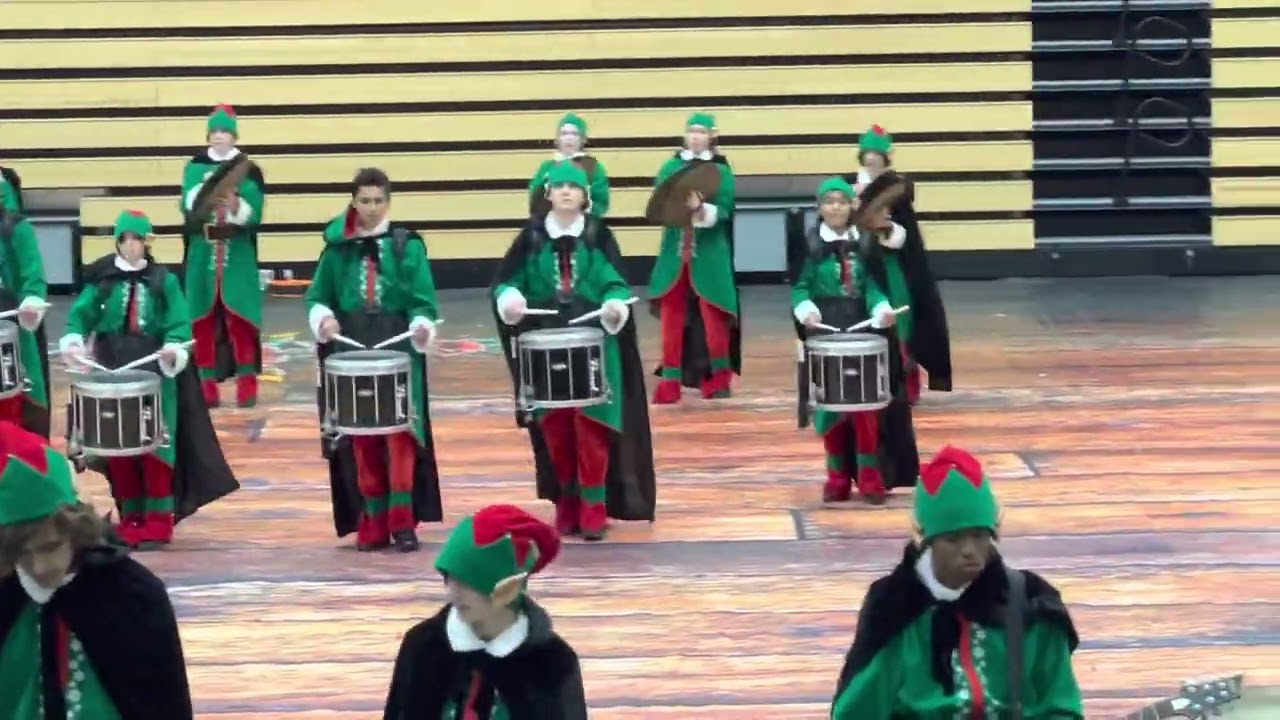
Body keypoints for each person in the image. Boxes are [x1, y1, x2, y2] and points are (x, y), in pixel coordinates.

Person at [831, 446, 1084, 719]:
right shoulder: (894, 607)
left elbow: (1061, 705)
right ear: (924, 540)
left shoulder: (1031, 604)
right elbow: (858, 711)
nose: (969, 549)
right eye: (953, 539)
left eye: (979, 535)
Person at [492, 161, 657, 541]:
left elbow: (614, 281)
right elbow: (505, 283)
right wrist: (511, 298)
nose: (567, 191)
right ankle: (566, 501)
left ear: (585, 196)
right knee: (556, 428)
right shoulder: (530, 239)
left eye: (574, 186)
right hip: (546, 348)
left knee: (592, 428)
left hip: (595, 346)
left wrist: (616, 304)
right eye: (560, 185)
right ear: (547, 193)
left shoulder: (597, 237)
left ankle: (594, 506)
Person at [59, 210, 240, 548]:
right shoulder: (102, 279)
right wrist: (73, 341)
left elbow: (178, 321)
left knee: (156, 443)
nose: (131, 246)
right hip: (112, 366)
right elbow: (80, 316)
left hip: (154, 368)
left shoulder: (164, 280)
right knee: (119, 444)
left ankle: (159, 519)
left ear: (147, 242)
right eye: (125, 239)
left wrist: (173, 347)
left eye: (137, 239)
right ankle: (131, 515)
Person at [0, 420, 194, 719]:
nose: (39, 567)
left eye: (50, 547)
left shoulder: (132, 596)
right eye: (21, 554)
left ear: (76, 531)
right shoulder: (5, 596)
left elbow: (163, 706)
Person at [306, 167, 444, 552]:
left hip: (397, 345)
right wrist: (324, 318)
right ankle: (373, 516)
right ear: (353, 202)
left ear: (388, 202)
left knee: (400, 435)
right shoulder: (336, 250)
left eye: (378, 201)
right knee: (361, 435)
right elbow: (317, 296)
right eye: (364, 201)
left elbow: (423, 299)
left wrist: (421, 323)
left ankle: (402, 520)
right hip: (351, 346)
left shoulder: (408, 246)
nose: (371, 208)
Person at [382, 504, 588, 719]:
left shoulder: (553, 662)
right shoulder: (423, 646)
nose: (455, 593)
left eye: (470, 583)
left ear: (508, 590)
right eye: (450, 578)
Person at [789, 177, 921, 503]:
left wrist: (881, 307)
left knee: (867, 408)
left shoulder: (864, 242)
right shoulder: (808, 244)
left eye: (841, 201)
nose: (835, 206)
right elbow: (800, 287)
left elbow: (874, 285)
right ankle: (836, 476)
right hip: (826, 330)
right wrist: (805, 309)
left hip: (863, 328)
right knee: (830, 409)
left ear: (852, 206)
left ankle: (869, 474)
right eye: (828, 201)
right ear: (819, 207)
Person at [849, 124, 952, 404]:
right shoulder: (850, 186)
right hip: (864, 266)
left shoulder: (897, 188)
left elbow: (904, 234)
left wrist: (885, 228)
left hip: (893, 265)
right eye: (867, 152)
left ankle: (905, 386)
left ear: (885, 157)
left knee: (901, 321)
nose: (871, 158)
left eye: (876, 153)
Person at [647, 112, 741, 403]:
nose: (695, 136)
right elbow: (662, 203)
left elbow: (724, 208)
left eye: (701, 131)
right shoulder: (671, 167)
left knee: (714, 316)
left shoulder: (721, 171)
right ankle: (671, 381)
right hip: (675, 252)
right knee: (671, 315)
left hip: (709, 253)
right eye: (691, 131)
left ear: (712, 136)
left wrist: (702, 209)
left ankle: (719, 378)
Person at [180, 103, 268, 408]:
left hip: (237, 253)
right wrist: (204, 194)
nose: (219, 137)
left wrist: (235, 207)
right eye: (214, 132)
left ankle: (247, 383)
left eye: (225, 132)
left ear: (233, 136)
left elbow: (255, 213)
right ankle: (206, 387)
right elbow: (188, 205)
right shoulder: (194, 166)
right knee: (202, 320)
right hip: (203, 253)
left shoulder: (248, 170)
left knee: (240, 319)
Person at [0, 165, 52, 438]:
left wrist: (31, 300)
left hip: (11, 321)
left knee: (14, 405)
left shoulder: (17, 229)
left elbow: (33, 275)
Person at [527, 113, 611, 218]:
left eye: (574, 134)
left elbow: (601, 202)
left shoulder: (592, 166)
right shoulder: (547, 167)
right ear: (558, 139)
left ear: (583, 139)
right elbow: (535, 199)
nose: (569, 138)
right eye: (564, 134)